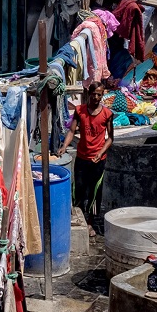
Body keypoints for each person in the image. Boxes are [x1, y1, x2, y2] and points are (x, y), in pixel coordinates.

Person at [61, 82, 115, 234]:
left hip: (98, 159)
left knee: (95, 191)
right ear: (89, 94)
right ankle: (78, 218)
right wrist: (65, 145)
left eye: (99, 94)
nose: (96, 97)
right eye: (94, 94)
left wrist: (100, 152)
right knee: (78, 188)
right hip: (82, 157)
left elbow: (110, 138)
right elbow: (72, 131)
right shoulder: (80, 111)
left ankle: (90, 222)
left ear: (102, 95)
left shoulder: (107, 114)